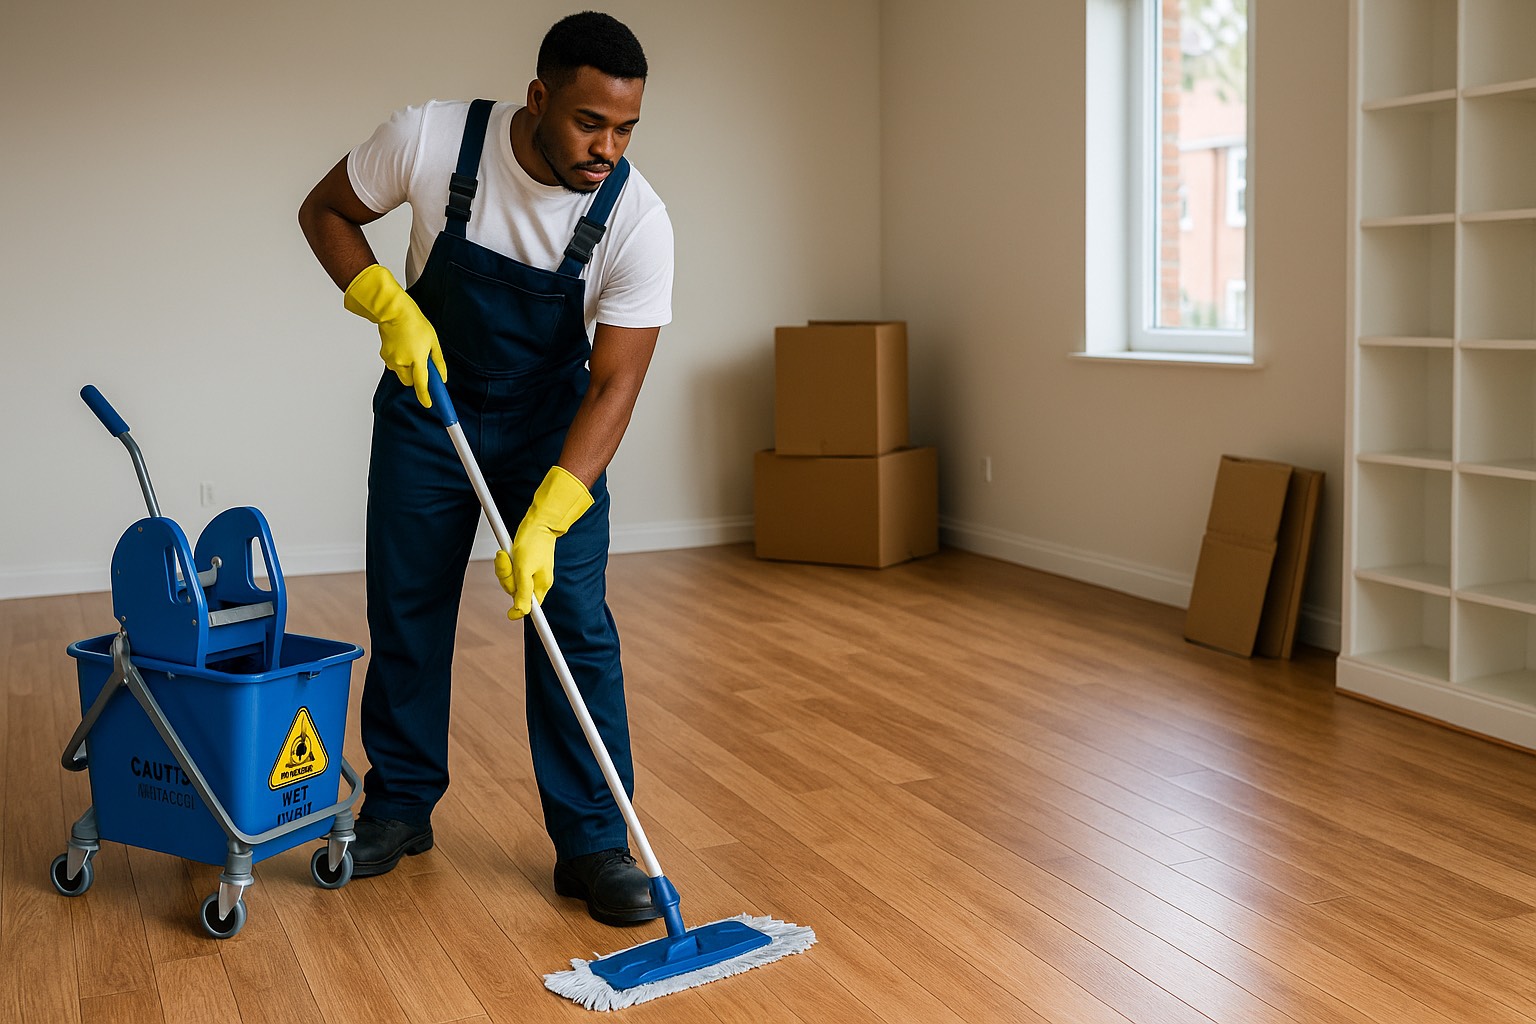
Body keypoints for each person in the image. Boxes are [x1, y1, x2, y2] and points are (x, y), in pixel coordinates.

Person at [297, 11, 672, 926]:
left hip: (553, 425)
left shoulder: (635, 217)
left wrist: (551, 514)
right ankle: (399, 805)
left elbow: (616, 385)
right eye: (590, 123)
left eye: (625, 129)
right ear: (539, 98)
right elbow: (325, 211)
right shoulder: (429, 139)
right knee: (410, 601)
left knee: (574, 621)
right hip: (432, 407)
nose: (607, 148)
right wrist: (381, 297)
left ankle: (593, 842)